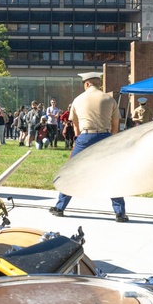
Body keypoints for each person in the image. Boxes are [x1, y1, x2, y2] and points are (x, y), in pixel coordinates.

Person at [51, 72, 127, 222]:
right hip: (105, 136)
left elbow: (76, 125)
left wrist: (79, 138)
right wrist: (110, 139)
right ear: (98, 83)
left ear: (86, 84)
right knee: (112, 174)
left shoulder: (78, 100)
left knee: (71, 172)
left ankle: (60, 207)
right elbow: (115, 124)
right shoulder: (109, 99)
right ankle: (120, 212)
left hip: (85, 137)